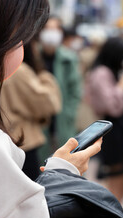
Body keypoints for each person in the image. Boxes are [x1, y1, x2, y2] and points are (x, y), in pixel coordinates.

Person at [0, 0, 123, 218]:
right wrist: (61, 177)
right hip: (32, 140)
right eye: (20, 37)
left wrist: (58, 171)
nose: (22, 47)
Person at [85, 37, 123, 202]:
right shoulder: (102, 73)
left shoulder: (106, 71)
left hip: (119, 129)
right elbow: (112, 107)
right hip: (112, 130)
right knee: (117, 176)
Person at [0, 39, 62, 180]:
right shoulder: (18, 70)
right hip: (22, 141)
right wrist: (44, 75)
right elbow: (49, 103)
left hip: (7, 140)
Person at [38, 16, 82, 159]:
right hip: (38, 119)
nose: (51, 33)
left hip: (62, 118)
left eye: (55, 29)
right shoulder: (32, 56)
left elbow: (75, 90)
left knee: (65, 161)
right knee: (40, 164)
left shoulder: (69, 58)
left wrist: (69, 113)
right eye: (47, 29)